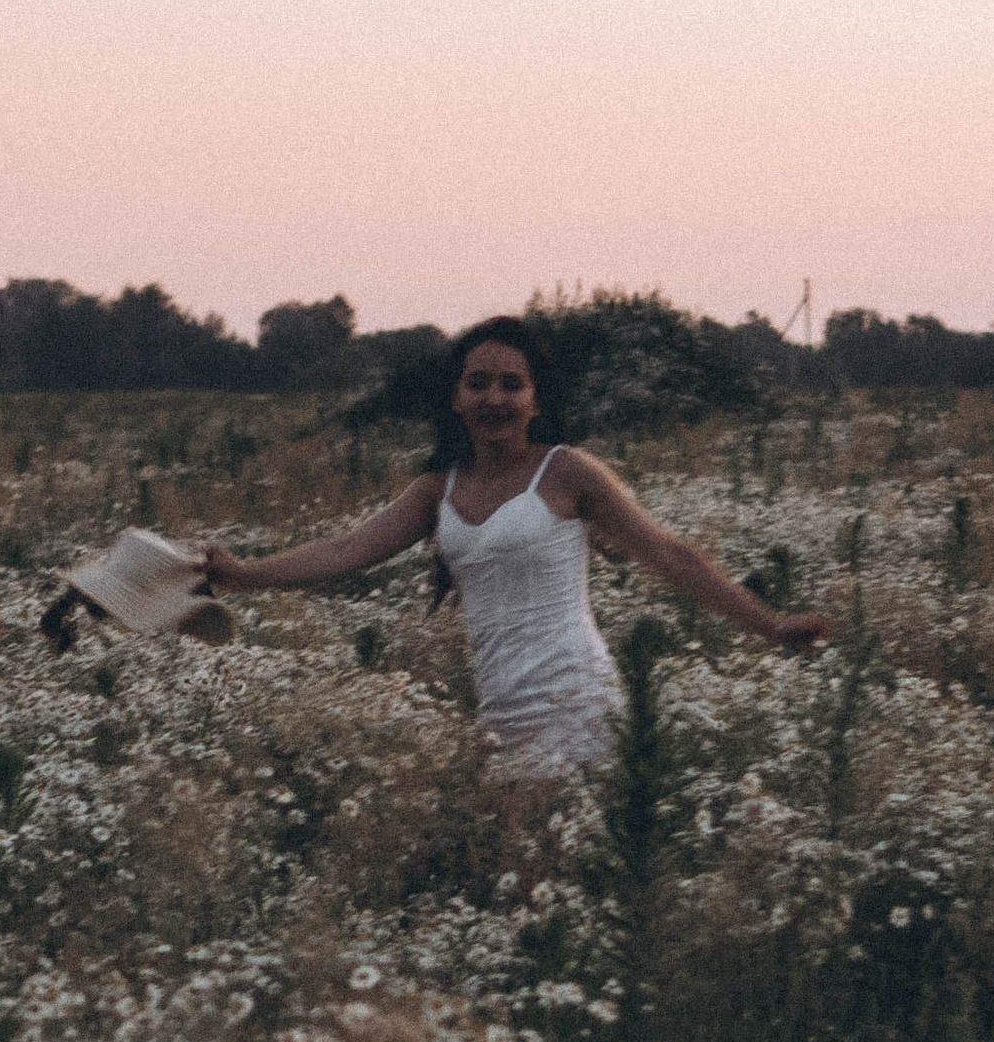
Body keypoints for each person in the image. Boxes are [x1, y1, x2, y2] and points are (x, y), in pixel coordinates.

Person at [199, 315, 830, 780]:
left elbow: (668, 554)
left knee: (536, 875)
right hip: (501, 705)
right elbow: (345, 550)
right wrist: (241, 574)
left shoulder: (568, 472)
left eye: (511, 384)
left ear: (535, 401)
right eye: (478, 383)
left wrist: (769, 627)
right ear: (456, 398)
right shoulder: (436, 490)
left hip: (576, 697)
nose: (493, 398)